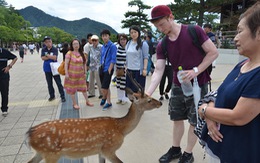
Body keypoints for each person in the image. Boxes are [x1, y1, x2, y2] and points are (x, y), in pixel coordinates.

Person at [146, 5, 218, 163]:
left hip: (198, 83)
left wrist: (196, 70)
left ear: (170, 17)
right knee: (176, 118)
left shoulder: (194, 31)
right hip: (178, 84)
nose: (160, 29)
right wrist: (149, 92)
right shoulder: (162, 44)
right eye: (156, 26)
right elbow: (158, 70)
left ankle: (188, 153)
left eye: (162, 24)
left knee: (194, 119)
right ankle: (176, 149)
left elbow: (213, 52)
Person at [198, 2, 260, 162]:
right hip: (221, 146)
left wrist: (205, 111)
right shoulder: (242, 64)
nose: (235, 37)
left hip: (239, 153)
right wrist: (210, 113)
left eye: (240, 31)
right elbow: (220, 94)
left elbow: (238, 117)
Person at [64, 39, 94, 110]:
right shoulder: (69, 53)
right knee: (72, 89)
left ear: (79, 45)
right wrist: (66, 73)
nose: (76, 45)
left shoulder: (82, 53)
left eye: (77, 44)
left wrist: (85, 72)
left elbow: (84, 64)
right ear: (71, 45)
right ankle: (74, 103)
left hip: (80, 74)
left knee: (84, 88)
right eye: (74, 44)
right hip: (72, 75)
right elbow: (66, 64)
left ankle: (87, 101)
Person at [41, 36, 66, 102]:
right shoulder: (43, 49)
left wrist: (47, 56)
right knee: (49, 83)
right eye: (46, 42)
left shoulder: (54, 49)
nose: (48, 43)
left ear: (51, 41)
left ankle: (62, 96)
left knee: (58, 83)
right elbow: (42, 58)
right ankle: (52, 96)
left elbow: (55, 58)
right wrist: (50, 57)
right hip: (47, 68)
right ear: (44, 43)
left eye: (49, 41)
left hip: (54, 68)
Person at [126, 25, 149, 93]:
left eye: (135, 32)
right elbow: (127, 56)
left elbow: (145, 57)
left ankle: (139, 104)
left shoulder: (143, 44)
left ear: (138, 33)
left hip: (138, 71)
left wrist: (145, 69)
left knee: (138, 91)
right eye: (131, 32)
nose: (133, 34)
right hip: (129, 70)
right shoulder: (128, 43)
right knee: (130, 91)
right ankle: (133, 103)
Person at [99, 29, 117, 111]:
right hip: (102, 68)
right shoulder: (103, 46)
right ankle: (108, 102)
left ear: (109, 36)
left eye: (106, 35)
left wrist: (110, 69)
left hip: (108, 69)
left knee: (104, 88)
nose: (104, 37)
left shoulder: (112, 46)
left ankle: (104, 98)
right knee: (106, 87)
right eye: (103, 36)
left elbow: (113, 59)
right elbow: (102, 57)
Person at [0, 47, 17, 117]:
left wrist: (9, 66)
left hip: (4, 76)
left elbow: (15, 58)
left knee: (4, 93)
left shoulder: (5, 52)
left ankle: (4, 109)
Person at [87, 35, 103, 99]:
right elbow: (89, 56)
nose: (94, 42)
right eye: (93, 40)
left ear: (98, 40)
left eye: (95, 40)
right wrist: (87, 64)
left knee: (98, 80)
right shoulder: (90, 47)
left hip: (98, 66)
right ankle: (91, 93)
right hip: (91, 65)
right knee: (90, 80)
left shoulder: (101, 47)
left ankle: (101, 93)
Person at [116, 33, 128, 105]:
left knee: (124, 85)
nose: (122, 41)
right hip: (118, 69)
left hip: (125, 70)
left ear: (126, 40)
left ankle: (124, 99)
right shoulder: (117, 47)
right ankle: (119, 98)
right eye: (121, 39)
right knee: (118, 84)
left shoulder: (128, 48)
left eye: (124, 39)